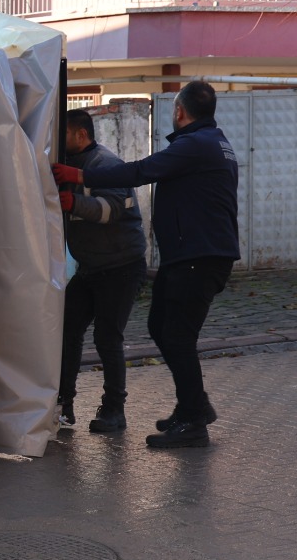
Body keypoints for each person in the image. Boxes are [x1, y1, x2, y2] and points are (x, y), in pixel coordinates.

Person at [52, 80, 239, 450]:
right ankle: (194, 405)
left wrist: (81, 177)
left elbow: (140, 171)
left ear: (179, 111)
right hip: (187, 257)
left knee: (176, 336)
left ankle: (193, 421)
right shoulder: (212, 143)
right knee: (159, 326)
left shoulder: (194, 145)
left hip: (198, 258)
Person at [56, 108, 148, 434]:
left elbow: (110, 211)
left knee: (107, 338)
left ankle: (114, 411)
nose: (58, 140)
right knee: (65, 329)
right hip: (91, 267)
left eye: (63, 133)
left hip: (122, 266)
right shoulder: (68, 165)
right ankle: (62, 405)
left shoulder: (107, 165)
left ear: (81, 135)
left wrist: (73, 203)